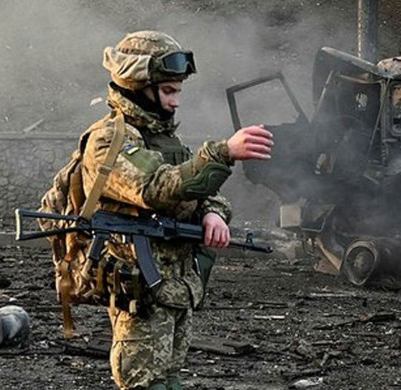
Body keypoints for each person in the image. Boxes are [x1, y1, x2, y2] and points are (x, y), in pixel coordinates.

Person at [87, 30, 273, 390]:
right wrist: (221, 153)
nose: (175, 102)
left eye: (178, 91)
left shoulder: (164, 139)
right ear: (138, 85)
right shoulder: (110, 140)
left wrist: (213, 213)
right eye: (168, 91)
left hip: (176, 287)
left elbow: (202, 189)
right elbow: (157, 188)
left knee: (170, 379)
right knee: (144, 383)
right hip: (141, 288)